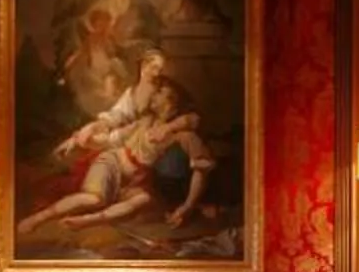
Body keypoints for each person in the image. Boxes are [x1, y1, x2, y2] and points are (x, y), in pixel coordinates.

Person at [17, 72, 214, 239]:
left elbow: (199, 161)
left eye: (161, 91)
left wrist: (188, 206)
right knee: (95, 199)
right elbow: (112, 139)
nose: (154, 93)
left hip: (137, 179)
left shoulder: (184, 134)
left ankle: (86, 221)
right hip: (113, 162)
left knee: (142, 200)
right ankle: (37, 218)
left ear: (174, 101)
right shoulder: (144, 121)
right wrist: (80, 140)